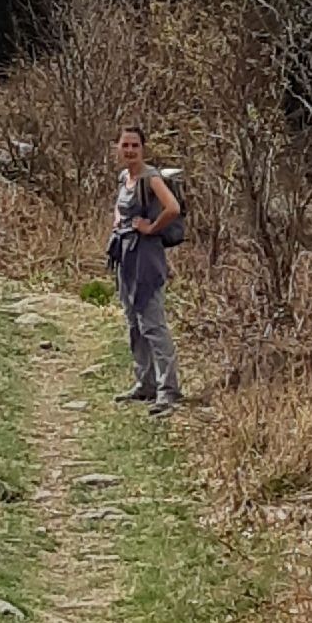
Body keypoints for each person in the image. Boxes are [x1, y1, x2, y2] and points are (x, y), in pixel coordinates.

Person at [109, 124, 183, 415]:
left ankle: (168, 390)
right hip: (125, 257)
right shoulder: (125, 177)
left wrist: (151, 228)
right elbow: (120, 207)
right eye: (125, 145)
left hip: (146, 260)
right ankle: (145, 383)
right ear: (117, 147)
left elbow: (173, 208)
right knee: (133, 322)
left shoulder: (150, 178)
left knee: (152, 324)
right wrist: (118, 222)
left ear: (143, 148)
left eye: (135, 146)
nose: (129, 150)